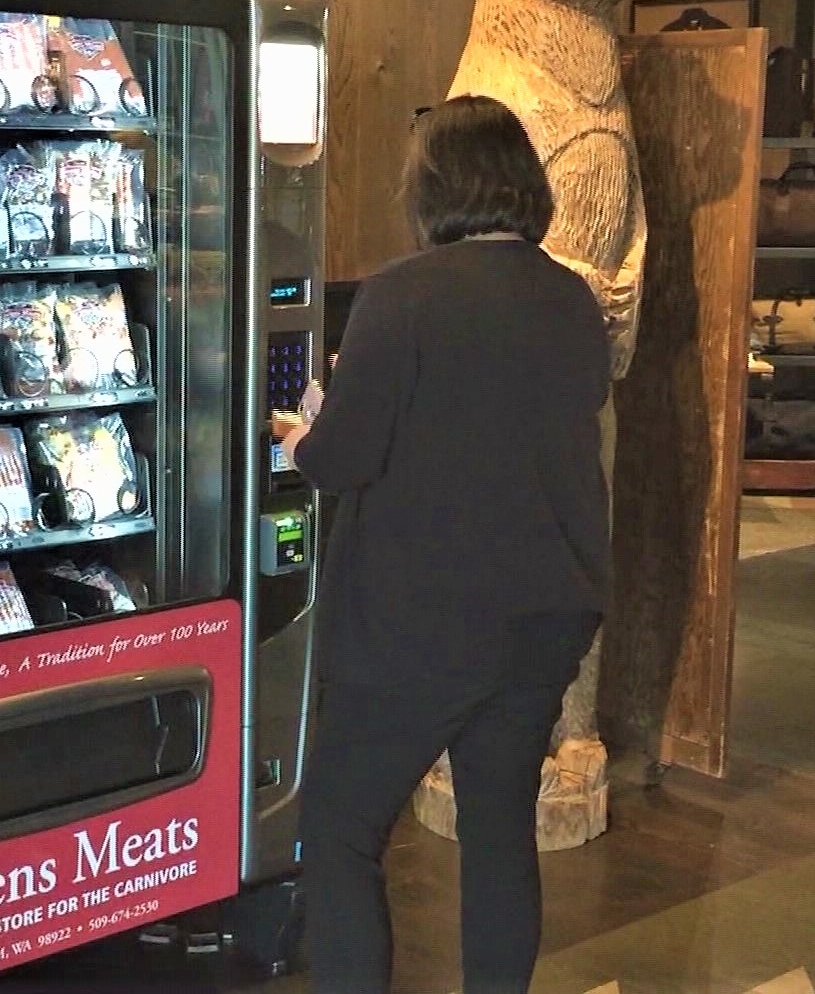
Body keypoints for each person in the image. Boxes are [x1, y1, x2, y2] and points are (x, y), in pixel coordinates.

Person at [279, 94, 611, 994]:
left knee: (343, 831)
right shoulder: (572, 298)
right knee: (499, 832)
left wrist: (303, 428)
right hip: (546, 615)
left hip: (419, 626)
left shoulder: (401, 297)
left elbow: (345, 459)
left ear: (435, 188)